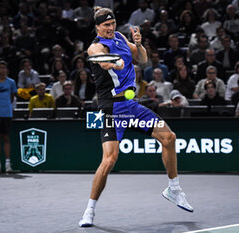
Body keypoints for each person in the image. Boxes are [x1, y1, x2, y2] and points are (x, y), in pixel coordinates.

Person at [79, 7, 193, 228]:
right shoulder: (95, 46)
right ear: (98, 27)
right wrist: (114, 63)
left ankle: (174, 189)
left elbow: (142, 60)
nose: (110, 28)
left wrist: (139, 44)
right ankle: (89, 210)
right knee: (110, 159)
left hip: (131, 107)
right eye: (106, 25)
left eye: (112, 23)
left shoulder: (121, 37)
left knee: (169, 138)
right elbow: (100, 60)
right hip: (112, 109)